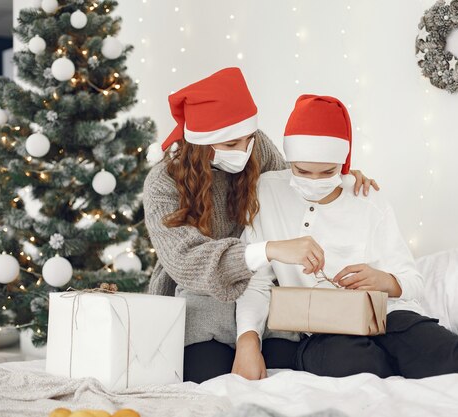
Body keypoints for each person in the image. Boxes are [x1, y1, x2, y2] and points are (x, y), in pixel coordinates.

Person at [142, 68, 378, 383]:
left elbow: (295, 188)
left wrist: (341, 180)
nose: (243, 151)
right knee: (208, 374)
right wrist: (267, 250)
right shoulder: (163, 183)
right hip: (201, 294)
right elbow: (185, 262)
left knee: (284, 370)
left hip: (265, 291)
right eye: (230, 144)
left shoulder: (258, 149)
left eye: (248, 139)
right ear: (201, 142)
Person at [233, 94, 458, 380]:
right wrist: (247, 339)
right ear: (288, 160)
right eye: (302, 171)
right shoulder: (266, 192)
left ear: (344, 163)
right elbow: (255, 281)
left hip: (387, 314)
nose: (314, 182)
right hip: (324, 327)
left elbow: (413, 281)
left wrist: (385, 281)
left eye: (327, 172)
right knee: (351, 364)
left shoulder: (367, 199)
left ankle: (402, 359)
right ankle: (395, 367)